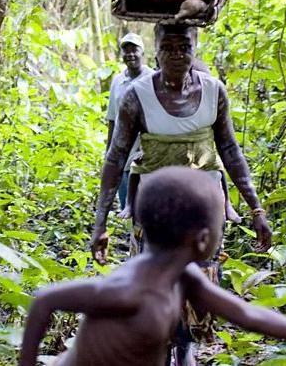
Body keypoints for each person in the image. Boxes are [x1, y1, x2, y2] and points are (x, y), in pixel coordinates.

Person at [20, 168, 286, 366]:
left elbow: (248, 315)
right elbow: (44, 300)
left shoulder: (184, 277)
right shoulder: (131, 291)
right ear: (204, 238)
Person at [91, 23, 272, 364]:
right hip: (155, 206)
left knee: (200, 278)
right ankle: (160, 346)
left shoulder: (214, 91)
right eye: (168, 46)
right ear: (155, 50)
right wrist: (100, 223)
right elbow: (115, 158)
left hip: (202, 207)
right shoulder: (137, 95)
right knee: (155, 278)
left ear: (195, 48)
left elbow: (230, 151)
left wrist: (256, 210)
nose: (176, 53)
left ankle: (185, 347)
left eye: (184, 46)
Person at [106, 33, 152, 211]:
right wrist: (109, 152)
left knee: (147, 204)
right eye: (126, 50)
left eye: (135, 50)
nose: (130, 54)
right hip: (123, 154)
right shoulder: (118, 81)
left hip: (147, 155)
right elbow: (112, 118)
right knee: (128, 206)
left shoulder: (153, 79)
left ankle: (148, 238)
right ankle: (134, 237)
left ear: (142, 52)